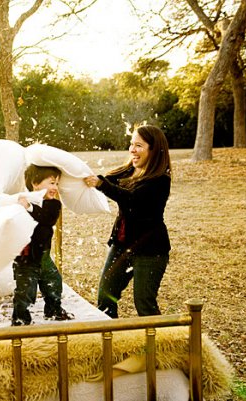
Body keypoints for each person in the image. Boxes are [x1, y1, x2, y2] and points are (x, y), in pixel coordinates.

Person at [83, 125, 172, 319]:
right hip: (121, 246)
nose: (132, 149)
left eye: (138, 145)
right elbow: (105, 180)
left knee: (144, 305)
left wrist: (101, 184)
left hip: (150, 251)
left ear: (154, 149)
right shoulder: (128, 171)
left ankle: (159, 345)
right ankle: (110, 342)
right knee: (105, 299)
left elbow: (131, 200)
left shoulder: (160, 181)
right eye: (131, 144)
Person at [11, 164, 74, 326]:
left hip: (43, 255)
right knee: (25, 291)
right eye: (52, 183)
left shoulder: (53, 205)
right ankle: (20, 318)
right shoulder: (20, 202)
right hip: (25, 257)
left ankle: (53, 309)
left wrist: (29, 208)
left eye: (57, 184)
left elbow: (46, 218)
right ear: (35, 183)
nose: (55, 188)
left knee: (53, 282)